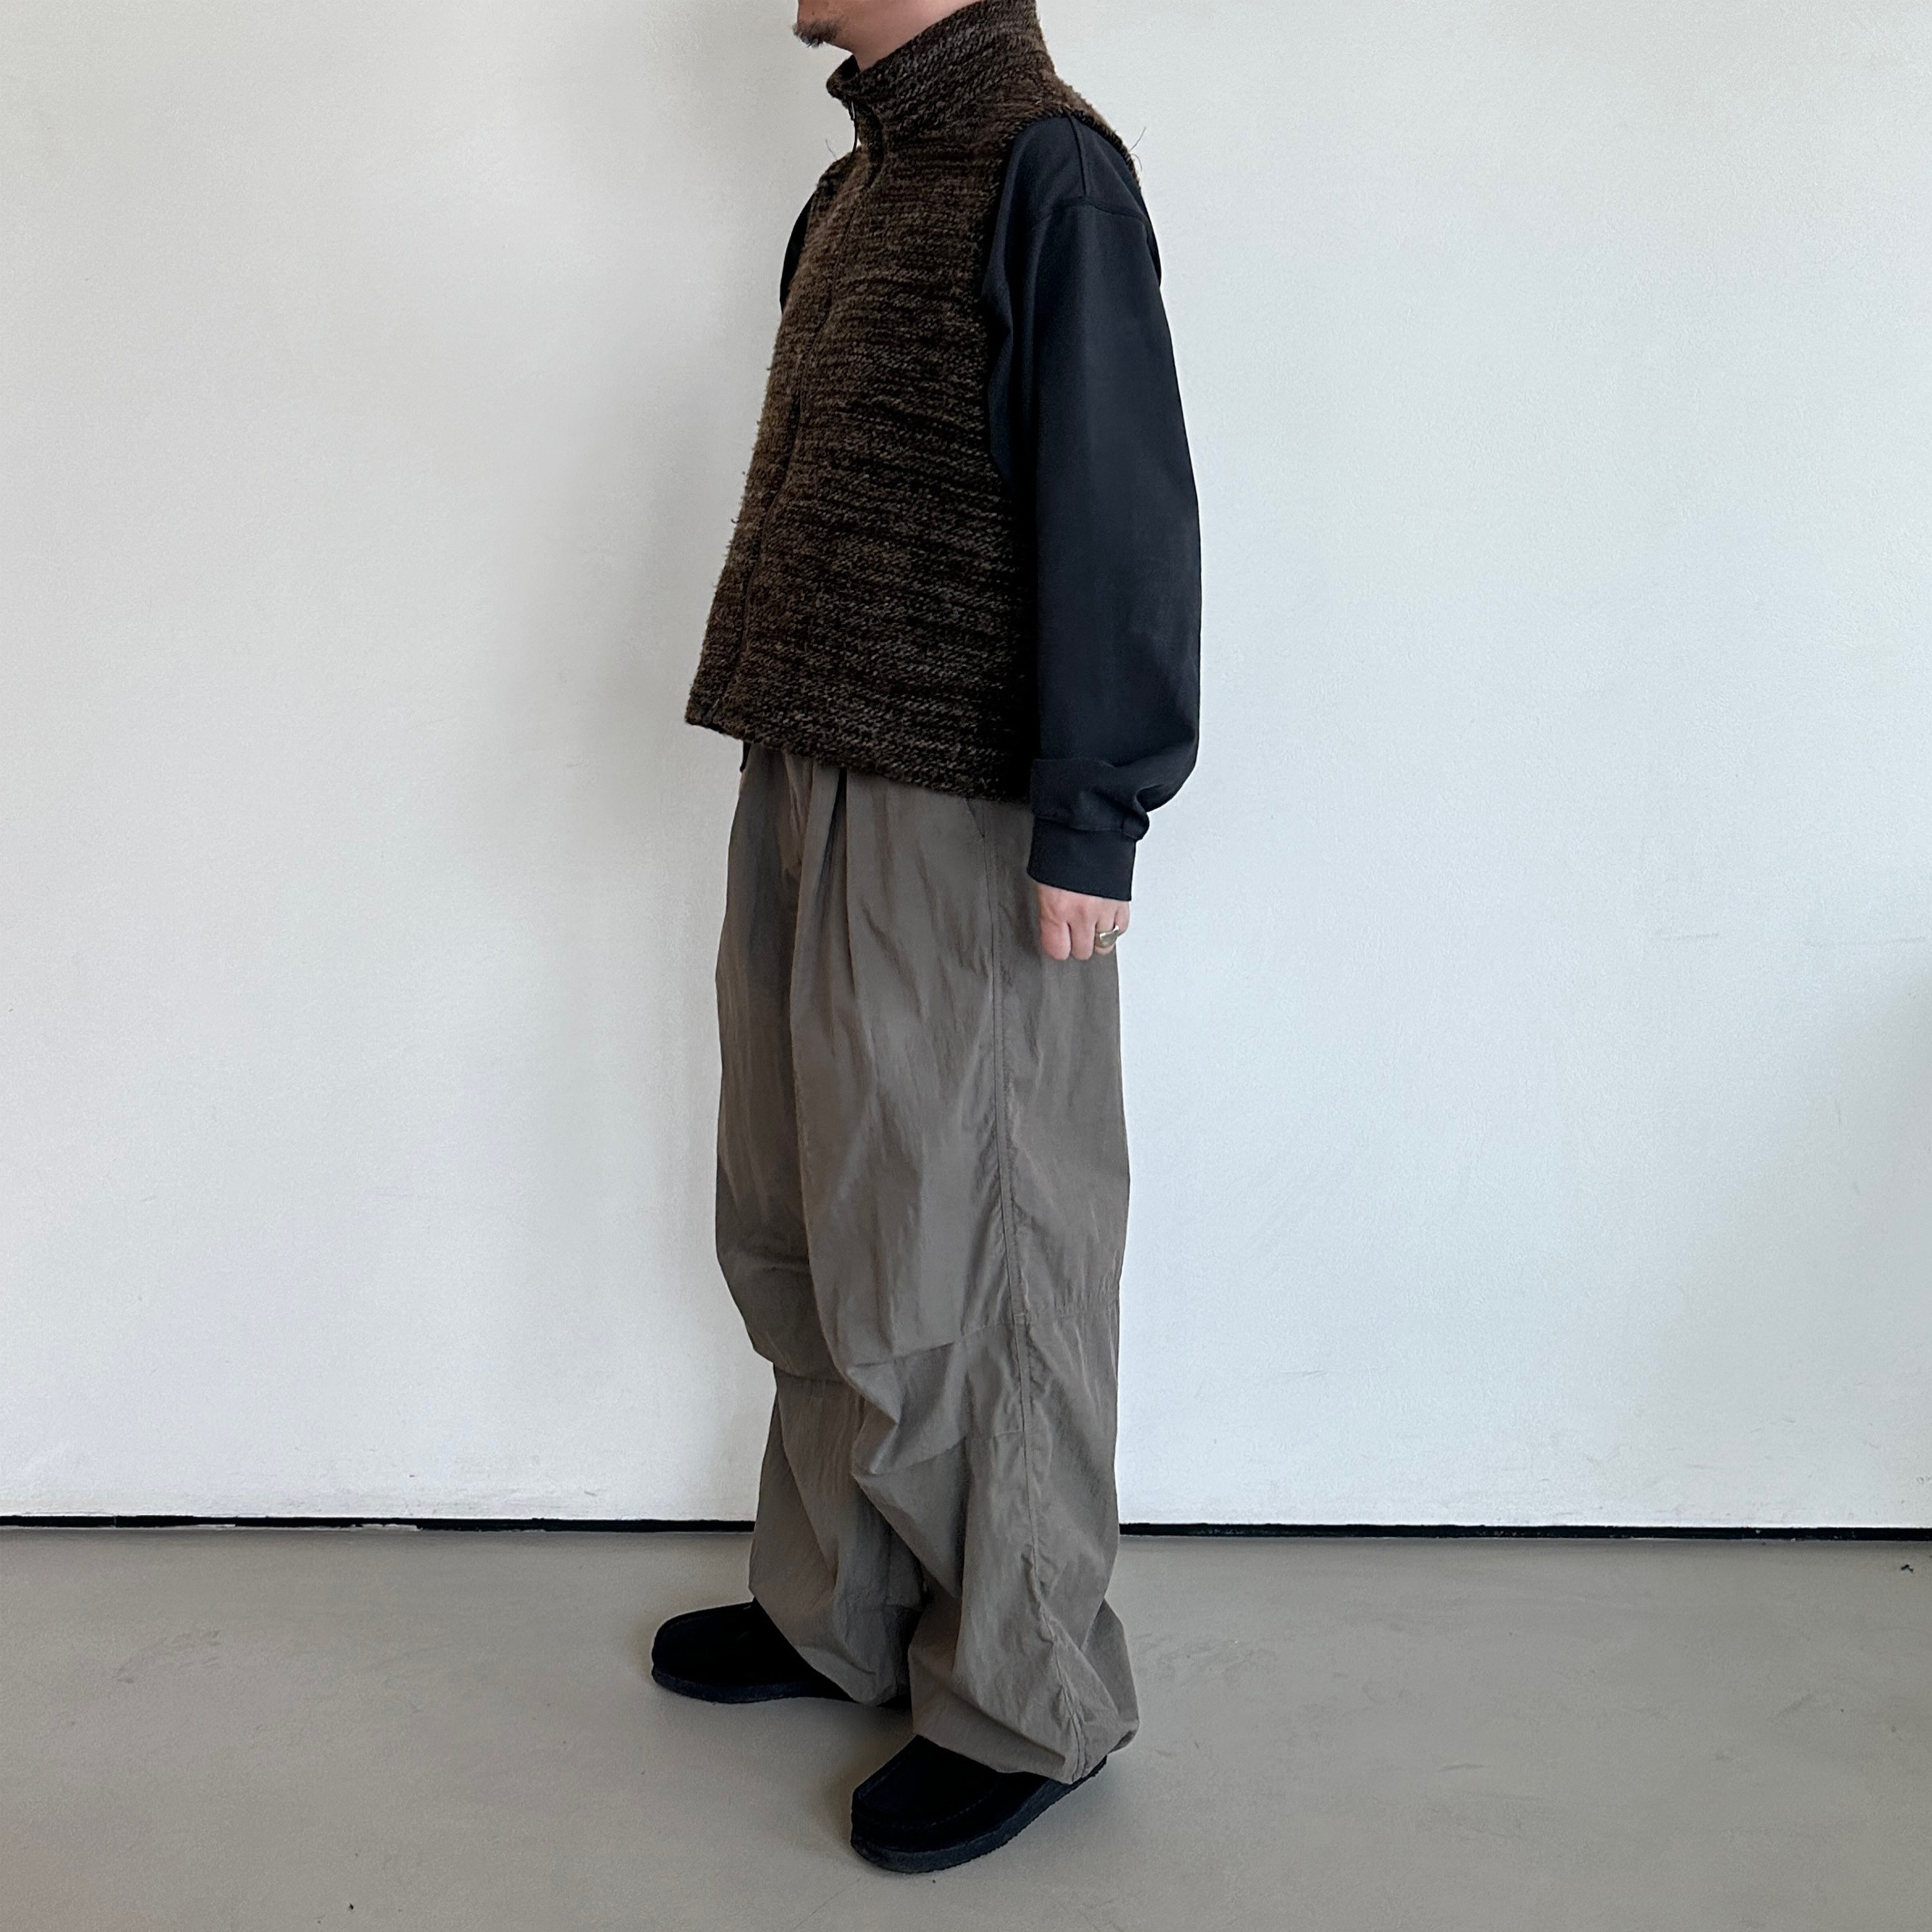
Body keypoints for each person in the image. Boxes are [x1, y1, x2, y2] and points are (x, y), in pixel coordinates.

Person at [655, 0, 1201, 1874]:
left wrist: (1091, 810)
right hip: (806, 758)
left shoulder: (1049, 167)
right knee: (805, 1215)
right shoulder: (860, 181)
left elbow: (1116, 506)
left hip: (960, 805)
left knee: (986, 1251)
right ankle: (842, 1607)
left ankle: (1027, 1690)